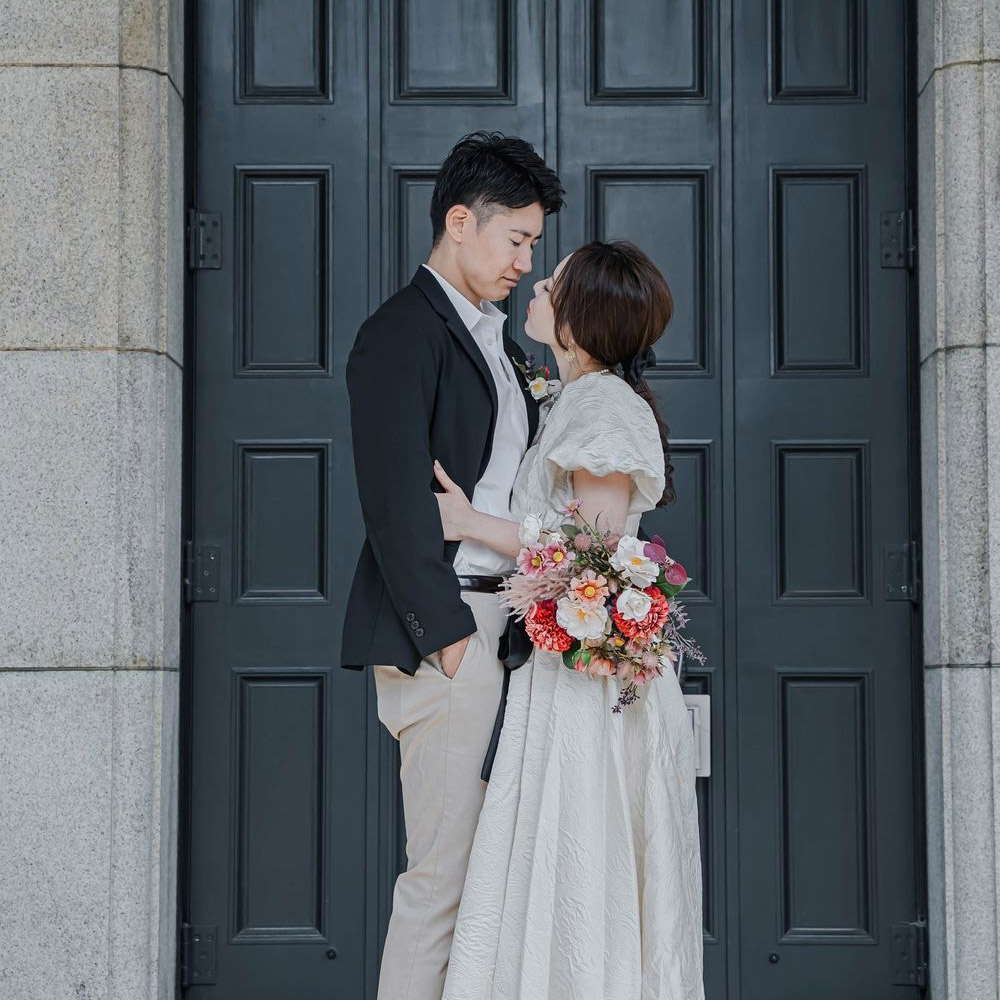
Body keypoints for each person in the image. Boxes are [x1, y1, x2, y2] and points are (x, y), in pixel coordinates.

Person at [433, 241, 706, 999]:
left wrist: (472, 523)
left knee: (581, 846)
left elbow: (593, 546)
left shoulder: (604, 407)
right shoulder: (574, 398)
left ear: (579, 320)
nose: (537, 286)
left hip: (589, 685)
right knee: (553, 847)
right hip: (563, 669)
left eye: (552, 284)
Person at [341, 131, 564, 1000]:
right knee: (439, 882)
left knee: (486, 880)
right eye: (517, 239)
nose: (525, 261)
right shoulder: (400, 334)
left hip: (505, 627)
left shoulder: (502, 345)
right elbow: (396, 503)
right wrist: (449, 641)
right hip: (451, 633)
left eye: (533, 245)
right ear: (461, 222)